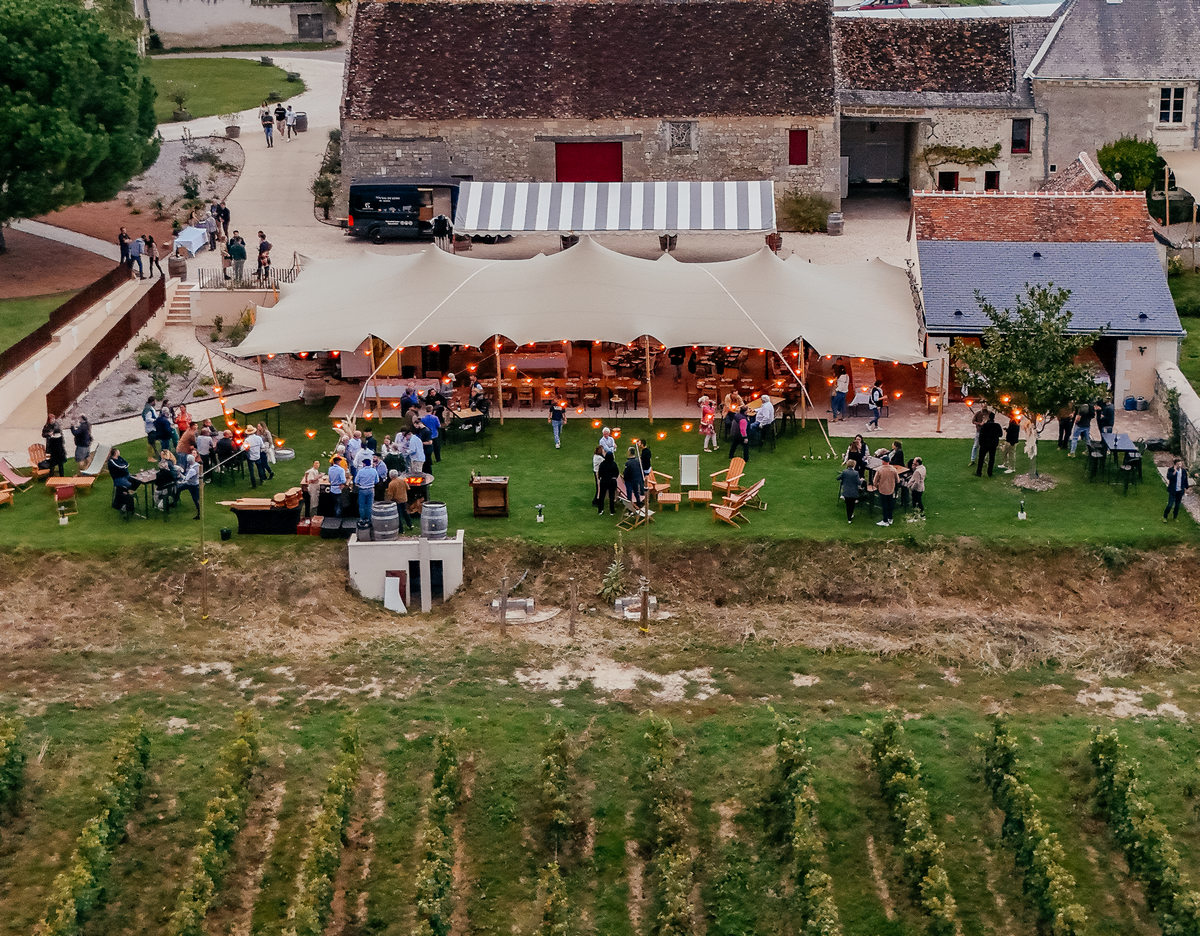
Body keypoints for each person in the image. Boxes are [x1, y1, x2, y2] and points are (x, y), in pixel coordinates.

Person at [874, 457, 900, 527]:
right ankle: (890, 518)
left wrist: (877, 486)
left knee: (884, 505)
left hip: (883, 490)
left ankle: (885, 520)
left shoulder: (880, 469)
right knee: (890, 503)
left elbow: (875, 481)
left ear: (883, 461)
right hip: (891, 489)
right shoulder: (893, 469)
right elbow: (898, 480)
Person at [976, 411, 1003, 477]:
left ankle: (979, 472)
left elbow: (981, 435)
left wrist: (981, 443)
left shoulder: (984, 426)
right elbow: (1000, 435)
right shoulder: (997, 426)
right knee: (991, 458)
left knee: (981, 459)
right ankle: (989, 472)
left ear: (988, 418)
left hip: (984, 444)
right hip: (993, 444)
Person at [355, 455, 379, 521]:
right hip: (371, 489)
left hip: (362, 489)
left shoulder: (360, 471)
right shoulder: (374, 471)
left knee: (362, 505)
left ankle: (362, 518)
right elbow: (377, 481)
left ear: (364, 464)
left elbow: (356, 481)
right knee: (370, 505)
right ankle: (369, 518)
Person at [596, 450, 619, 515]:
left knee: (602, 495)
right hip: (611, 482)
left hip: (604, 481)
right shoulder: (614, 464)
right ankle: (612, 510)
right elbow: (616, 473)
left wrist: (600, 478)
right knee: (611, 496)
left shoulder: (602, 464)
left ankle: (600, 510)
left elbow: (600, 473)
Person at [181, 454, 201, 519]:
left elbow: (186, 478)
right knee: (179, 488)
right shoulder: (197, 465)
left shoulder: (192, 470)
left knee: (195, 499)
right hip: (195, 483)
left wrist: (180, 474)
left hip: (192, 485)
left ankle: (199, 513)